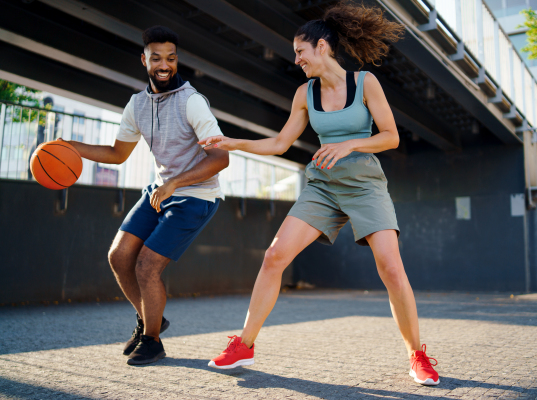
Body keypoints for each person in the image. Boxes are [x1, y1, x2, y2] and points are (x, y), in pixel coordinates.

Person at [199, 2, 440, 386]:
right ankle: (244, 345)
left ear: (323, 47)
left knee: (392, 270)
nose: (296, 59)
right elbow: (280, 142)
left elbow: (391, 137)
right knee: (275, 255)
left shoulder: (365, 84)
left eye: (300, 51)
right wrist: (233, 142)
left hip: (365, 186)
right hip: (323, 186)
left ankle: (417, 355)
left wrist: (350, 145)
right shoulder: (304, 93)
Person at [64, 26, 229, 365]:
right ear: (144, 60)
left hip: (197, 195)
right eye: (156, 58)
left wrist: (175, 183)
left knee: (146, 267)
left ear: (176, 59)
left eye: (170, 58)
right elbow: (116, 153)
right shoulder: (137, 104)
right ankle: (150, 317)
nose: (164, 65)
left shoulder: (192, 102)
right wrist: (71, 148)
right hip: (161, 190)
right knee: (119, 256)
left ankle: (152, 339)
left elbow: (221, 158)